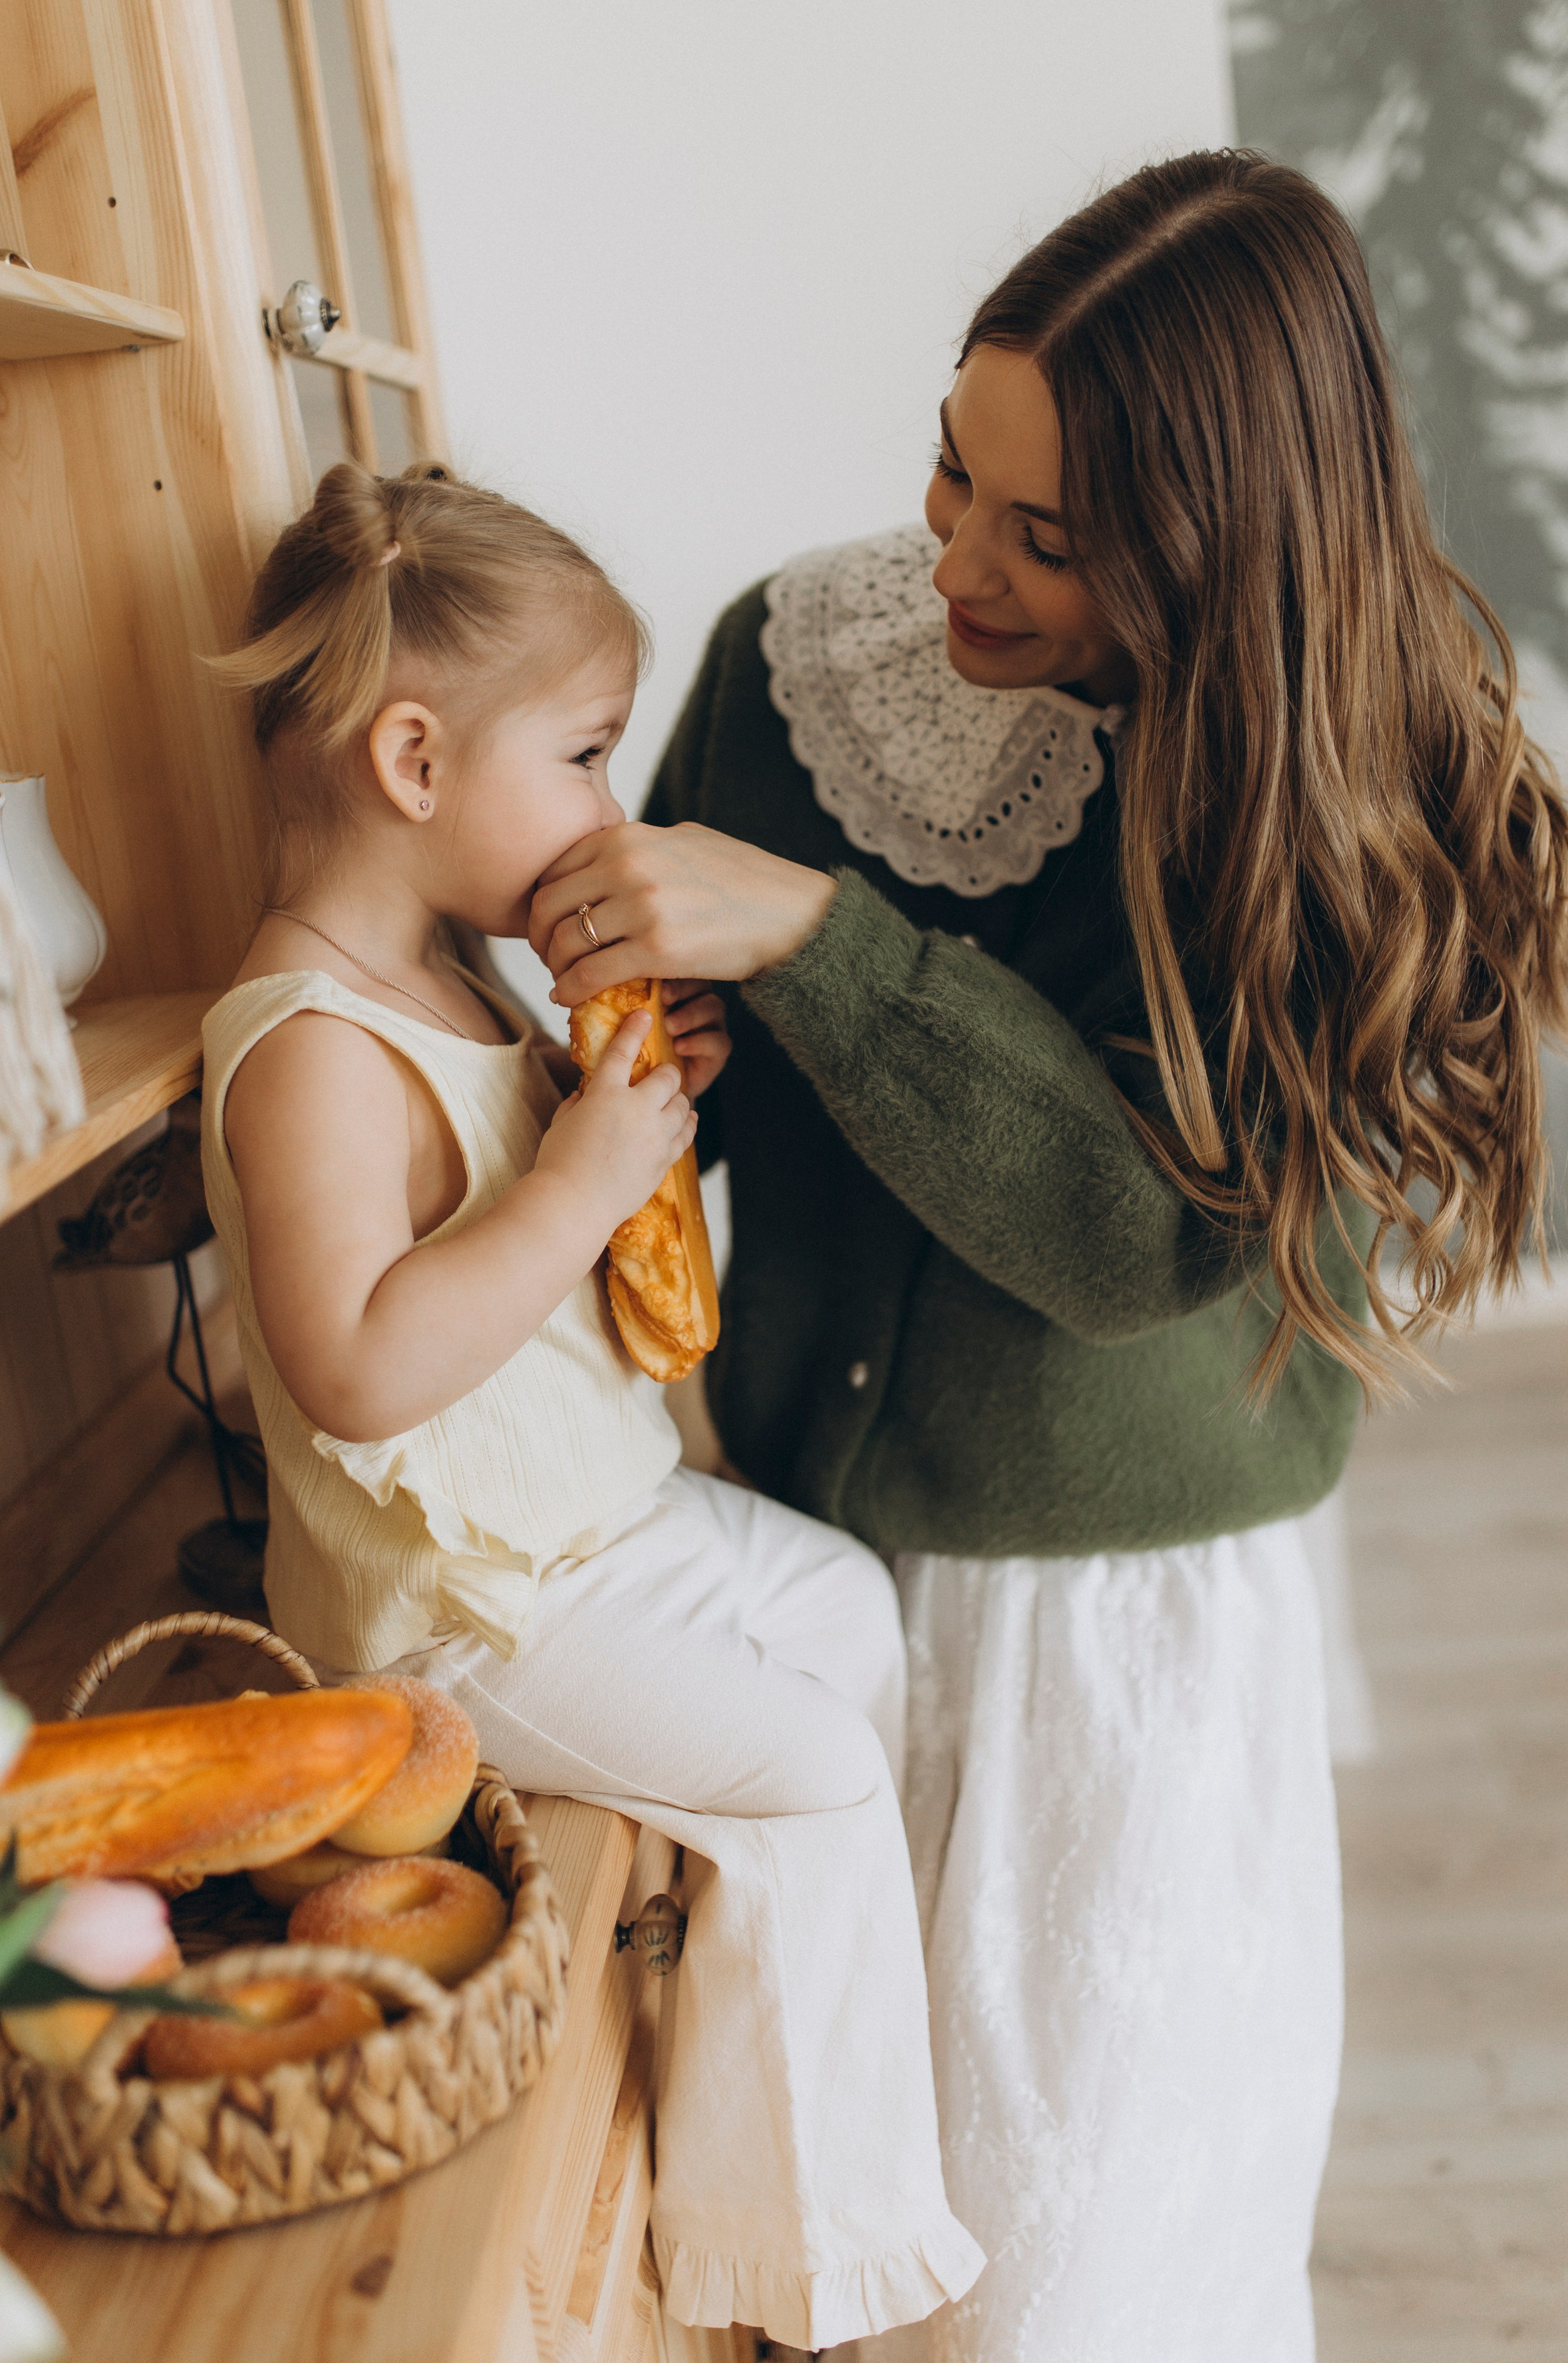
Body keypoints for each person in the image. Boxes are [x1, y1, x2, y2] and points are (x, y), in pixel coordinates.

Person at [530, 150, 1568, 2362]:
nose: (956, 560)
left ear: (1218, 544)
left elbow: (1124, 1241)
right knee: (831, 2245)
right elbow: (695, 1113)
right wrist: (657, 1044)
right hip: (789, 1571)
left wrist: (818, 939)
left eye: (1050, 535)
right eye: (948, 464)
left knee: (1084, 2258)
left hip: (1109, 1645)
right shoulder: (795, 671)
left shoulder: (1338, 790)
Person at [196, 462, 984, 2353]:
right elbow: (361, 1365)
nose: (607, 815)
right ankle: (799, 2270)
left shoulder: (462, 980)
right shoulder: (307, 1046)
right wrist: (568, 1184)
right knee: (815, 1768)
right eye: (584, 757)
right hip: (458, 1613)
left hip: (597, 1524)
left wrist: (619, 1147)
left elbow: (570, 1306)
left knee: (850, 1611)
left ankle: (768, 1992)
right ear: (413, 763)